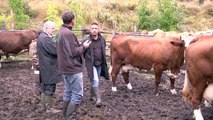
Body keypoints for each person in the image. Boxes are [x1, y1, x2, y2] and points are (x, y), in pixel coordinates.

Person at [55, 10, 91, 120]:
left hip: (64, 68)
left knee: (68, 92)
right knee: (77, 95)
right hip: (72, 69)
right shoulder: (68, 34)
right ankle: (70, 117)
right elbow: (74, 52)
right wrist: (84, 46)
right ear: (72, 20)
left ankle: (65, 114)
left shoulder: (59, 32)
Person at [82, 22, 109, 106]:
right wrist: (87, 61)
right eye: (92, 28)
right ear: (90, 30)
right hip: (91, 65)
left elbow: (103, 50)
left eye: (96, 28)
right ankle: (98, 99)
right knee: (95, 81)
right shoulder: (86, 40)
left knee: (94, 81)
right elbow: (82, 52)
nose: (94, 30)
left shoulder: (102, 39)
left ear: (98, 30)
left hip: (100, 63)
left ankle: (91, 96)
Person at [37, 21, 62, 113]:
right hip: (49, 67)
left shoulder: (42, 37)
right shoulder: (45, 38)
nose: (54, 30)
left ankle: (44, 106)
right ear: (46, 28)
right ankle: (49, 108)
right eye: (52, 28)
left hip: (45, 66)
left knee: (45, 87)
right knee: (50, 87)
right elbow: (55, 51)